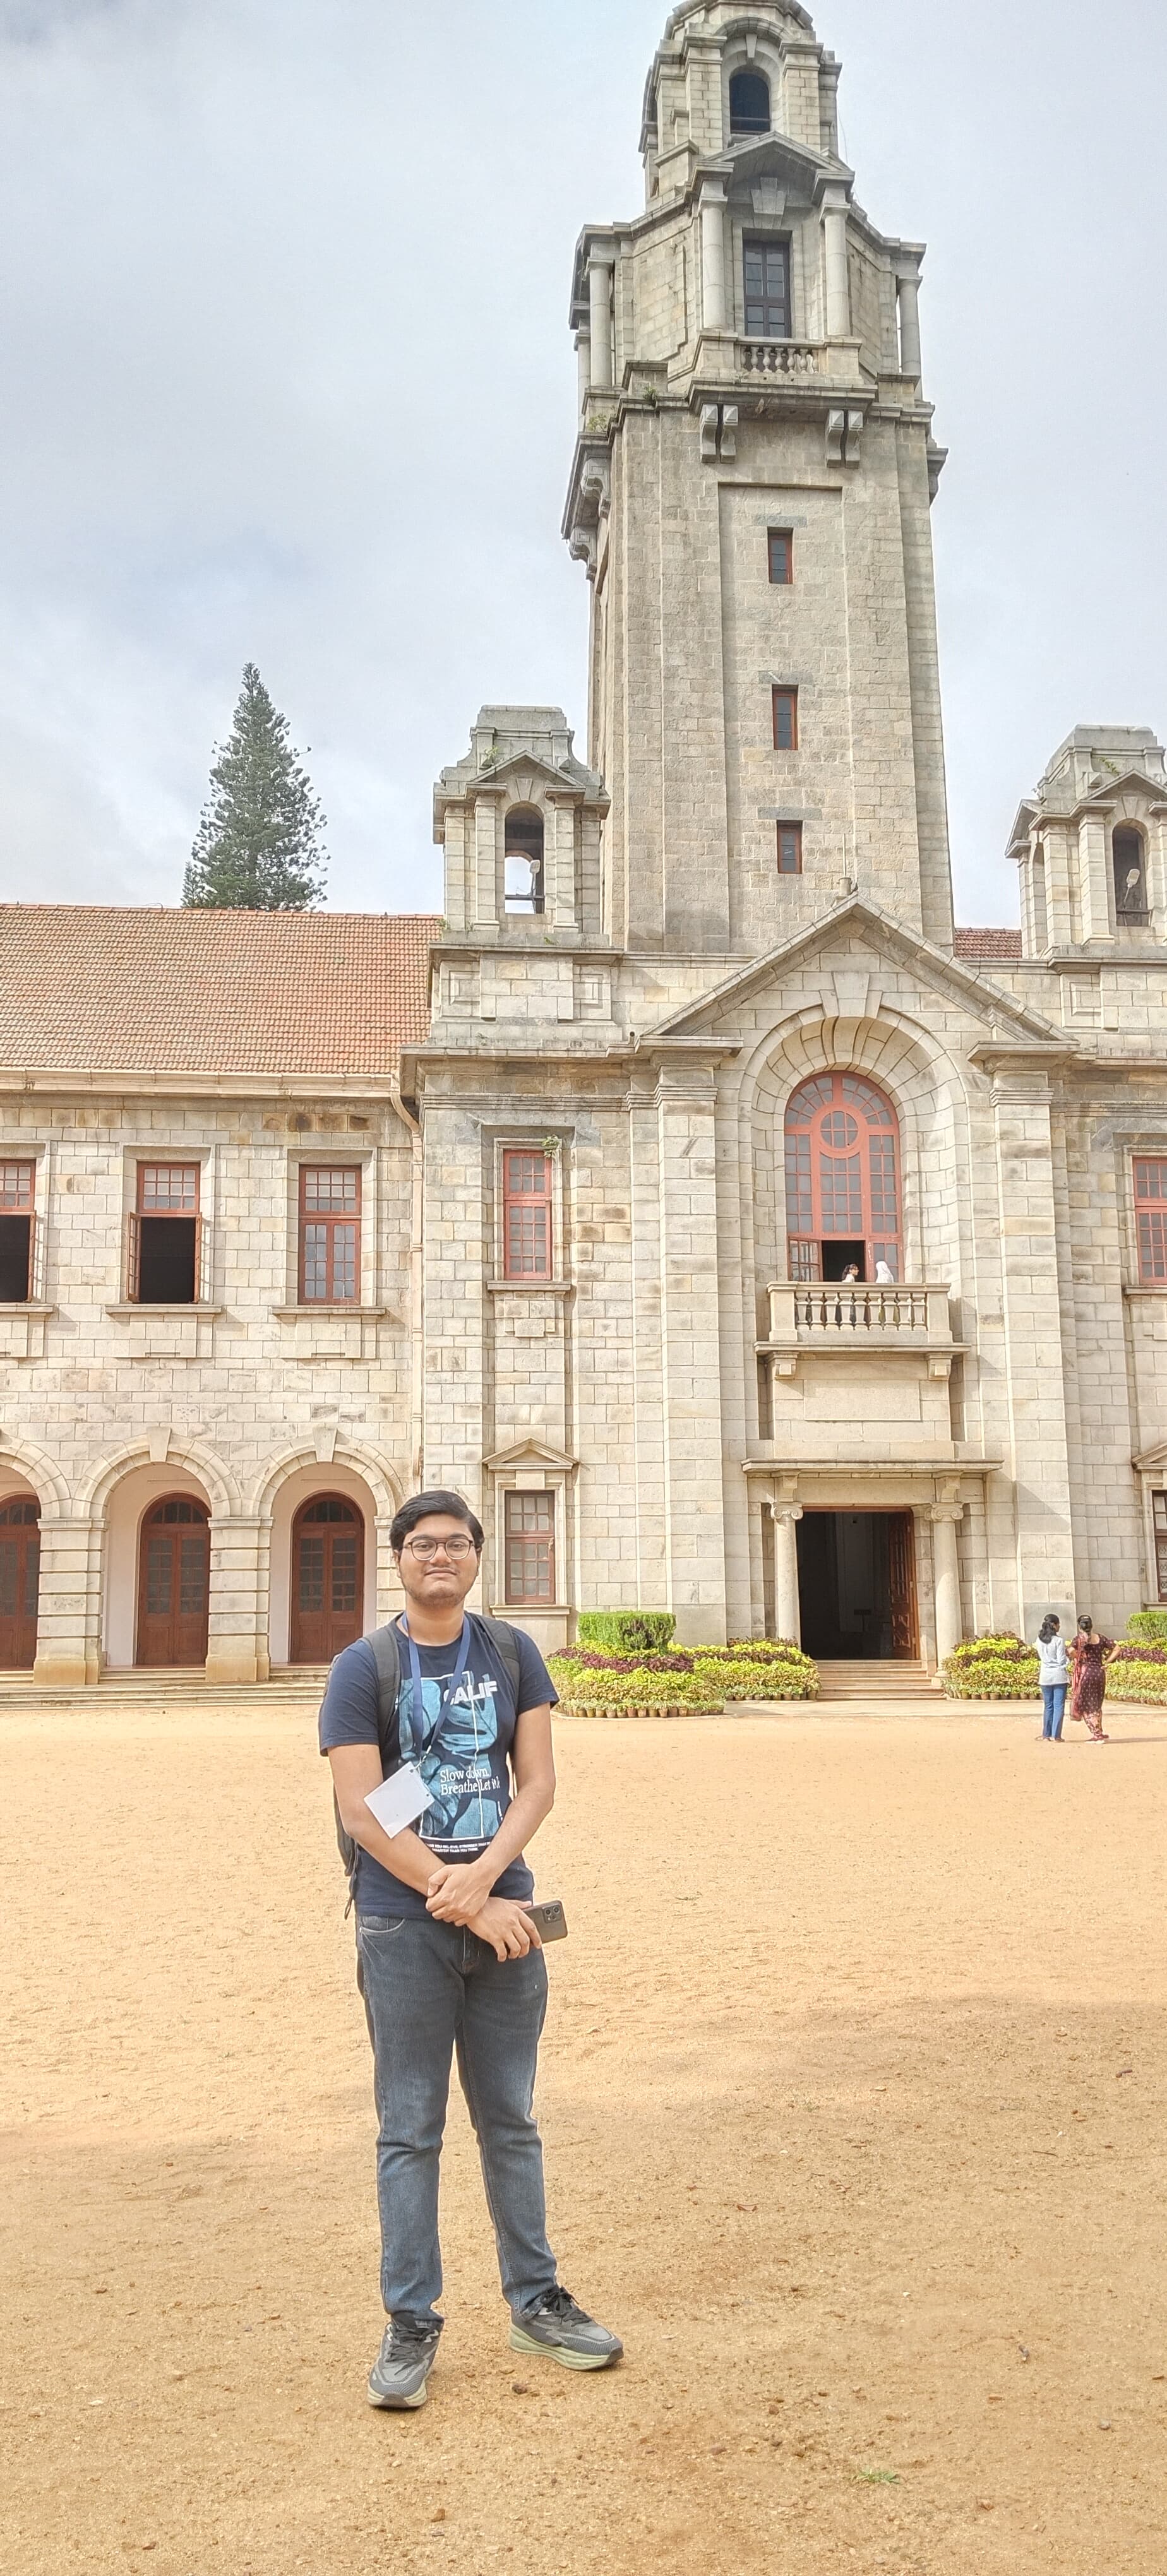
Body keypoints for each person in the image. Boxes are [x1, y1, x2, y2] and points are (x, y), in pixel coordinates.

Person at [319, 1488, 621, 2412]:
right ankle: (411, 2320)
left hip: (505, 1912)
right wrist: (454, 1897)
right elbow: (362, 1812)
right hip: (401, 1921)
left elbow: (537, 1782)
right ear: (399, 1559)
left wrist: (487, 1881)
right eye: (421, 1545)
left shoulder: (512, 1652)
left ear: (477, 1556)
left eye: (455, 1544)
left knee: (511, 2123)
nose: (438, 1557)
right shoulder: (362, 1667)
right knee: (409, 2130)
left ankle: (536, 2302)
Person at [1068, 1614, 1114, 1741]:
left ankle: (1097, 1733)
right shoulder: (1100, 1638)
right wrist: (1107, 1662)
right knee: (1096, 1703)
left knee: (1086, 1703)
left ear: (1080, 1627)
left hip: (1086, 1673)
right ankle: (1099, 1730)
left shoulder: (1078, 1640)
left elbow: (1071, 1651)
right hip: (1099, 1673)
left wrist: (1079, 1657)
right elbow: (1117, 1649)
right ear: (1092, 1625)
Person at [1035, 1613, 1068, 1741]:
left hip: (1045, 1676)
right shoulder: (1058, 1641)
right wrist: (1069, 1661)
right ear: (1054, 1625)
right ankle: (1057, 1735)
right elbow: (1061, 1660)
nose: (1060, 1626)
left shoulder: (1039, 1640)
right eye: (1059, 1624)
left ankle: (1046, 1734)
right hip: (1059, 1675)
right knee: (1059, 1706)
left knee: (1048, 1706)